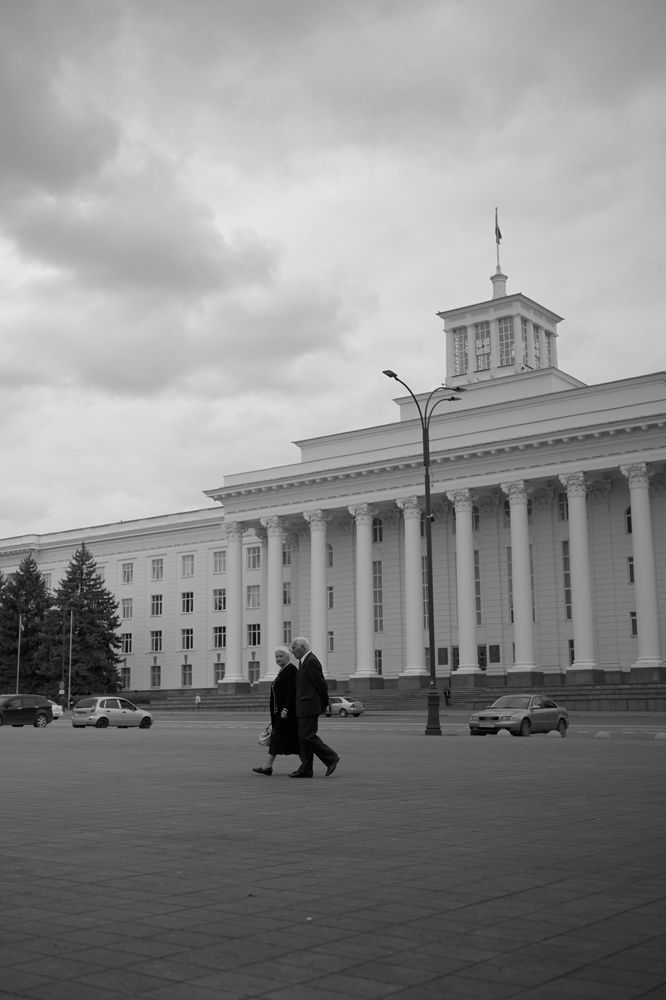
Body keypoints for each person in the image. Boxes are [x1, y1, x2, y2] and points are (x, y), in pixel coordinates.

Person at [289, 636, 340, 778]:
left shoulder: (311, 661)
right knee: (302, 738)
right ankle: (306, 769)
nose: (292, 651)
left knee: (307, 736)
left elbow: (321, 684)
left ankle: (331, 757)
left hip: (309, 706)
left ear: (303, 647)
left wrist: (325, 703)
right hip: (303, 706)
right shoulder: (303, 662)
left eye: (294, 648)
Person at [252, 646, 300, 776]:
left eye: (280, 656)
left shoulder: (290, 670)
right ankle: (307, 764)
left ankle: (268, 767)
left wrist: (285, 709)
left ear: (287, 657)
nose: (278, 659)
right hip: (279, 713)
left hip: (285, 714)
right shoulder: (283, 670)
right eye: (276, 657)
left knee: (282, 738)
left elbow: (292, 691)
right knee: (290, 739)